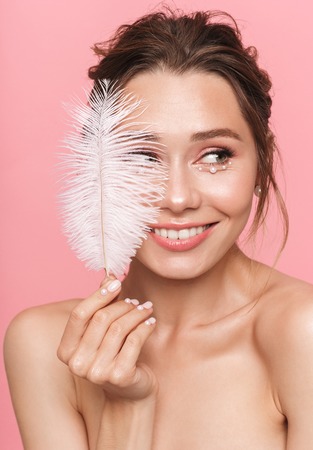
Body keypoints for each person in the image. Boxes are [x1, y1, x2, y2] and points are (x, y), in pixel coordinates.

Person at [4, 8, 313, 450]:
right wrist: (128, 407)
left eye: (215, 155)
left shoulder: (303, 333)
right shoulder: (44, 346)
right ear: (97, 169)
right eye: (142, 158)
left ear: (262, 165)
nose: (178, 197)